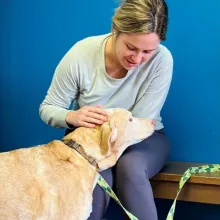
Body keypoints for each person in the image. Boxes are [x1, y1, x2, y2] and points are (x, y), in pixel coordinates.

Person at [39, 0, 173, 219]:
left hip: (141, 138)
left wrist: (104, 158)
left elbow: (140, 120)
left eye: (147, 51)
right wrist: (71, 116)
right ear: (115, 29)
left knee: (130, 169)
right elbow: (48, 108)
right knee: (93, 177)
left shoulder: (162, 60)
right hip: (88, 139)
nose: (137, 59)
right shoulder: (80, 54)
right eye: (131, 47)